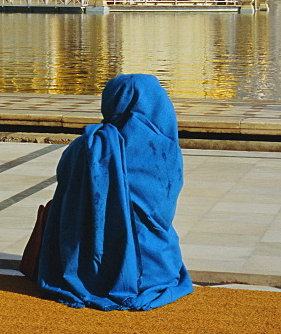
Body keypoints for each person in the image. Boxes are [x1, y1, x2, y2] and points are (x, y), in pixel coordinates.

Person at [34, 74, 193, 311]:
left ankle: (96, 276)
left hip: (83, 264)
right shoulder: (166, 149)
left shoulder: (88, 146)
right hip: (155, 270)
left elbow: (65, 189)